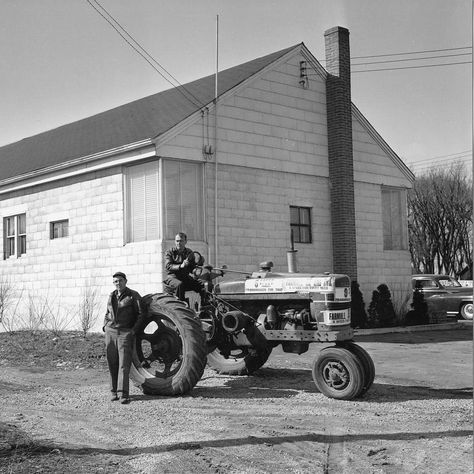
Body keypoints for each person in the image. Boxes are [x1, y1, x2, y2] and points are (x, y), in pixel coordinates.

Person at [103, 272, 144, 404]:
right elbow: (107, 312)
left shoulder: (133, 295)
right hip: (110, 332)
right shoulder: (112, 295)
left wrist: (133, 331)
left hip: (125, 333)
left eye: (120, 280)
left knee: (123, 365)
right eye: (115, 281)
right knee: (112, 362)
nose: (118, 283)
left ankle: (123, 394)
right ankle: (113, 391)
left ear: (125, 281)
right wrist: (105, 326)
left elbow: (141, 314)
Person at [163, 232, 206, 302]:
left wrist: (196, 270)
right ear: (175, 241)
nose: (179, 243)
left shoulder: (190, 252)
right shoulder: (170, 252)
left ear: (185, 242)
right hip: (172, 277)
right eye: (177, 241)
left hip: (185, 277)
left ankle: (204, 307)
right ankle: (181, 307)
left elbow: (192, 267)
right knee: (180, 285)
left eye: (181, 241)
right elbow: (168, 266)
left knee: (202, 284)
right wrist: (181, 266)